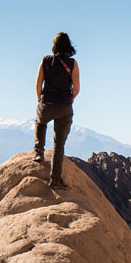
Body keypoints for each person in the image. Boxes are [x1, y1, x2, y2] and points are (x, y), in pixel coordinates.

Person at [34, 32, 80, 189]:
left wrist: (40, 99)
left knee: (40, 121)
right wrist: (71, 98)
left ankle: (38, 150)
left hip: (47, 103)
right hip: (64, 107)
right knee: (58, 145)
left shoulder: (46, 60)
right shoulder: (73, 63)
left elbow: (38, 83)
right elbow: (77, 87)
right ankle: (55, 180)